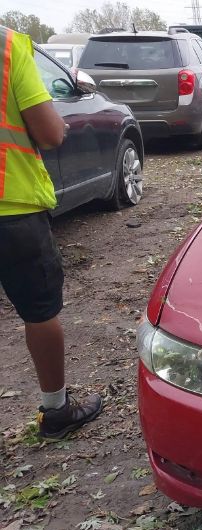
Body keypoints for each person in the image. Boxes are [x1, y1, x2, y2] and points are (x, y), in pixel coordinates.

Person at [0, 25, 102, 439]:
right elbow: (50, 132)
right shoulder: (6, 46)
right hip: (12, 204)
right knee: (40, 310)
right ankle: (56, 411)